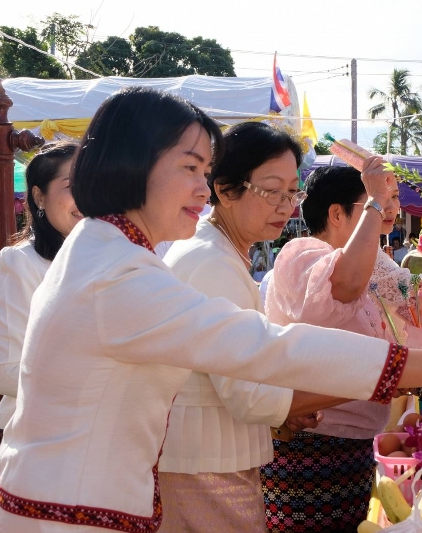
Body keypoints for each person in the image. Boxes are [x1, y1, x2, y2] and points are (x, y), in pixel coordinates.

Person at [0, 87, 422, 533]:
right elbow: (270, 349)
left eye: (206, 170)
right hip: (66, 516)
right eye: (191, 169)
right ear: (133, 164)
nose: (203, 189)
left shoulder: (105, 250)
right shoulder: (118, 273)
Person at [159, 121, 345, 533]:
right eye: (271, 190)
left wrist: (283, 413)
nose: (287, 205)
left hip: (208, 460)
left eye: (292, 191)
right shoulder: (210, 260)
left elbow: (238, 374)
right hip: (202, 467)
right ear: (225, 190)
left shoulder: (219, 252)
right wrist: (375, 380)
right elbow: (248, 396)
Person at [263, 163, 422, 531]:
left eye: (392, 199)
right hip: (311, 448)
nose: (389, 210)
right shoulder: (302, 253)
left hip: (356, 448)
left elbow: (417, 299)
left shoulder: (372, 263)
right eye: (376, 202)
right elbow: (344, 286)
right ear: (337, 214)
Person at [0, 141, 80, 461]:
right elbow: (3, 372)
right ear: (39, 196)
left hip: (96, 438)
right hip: (40, 442)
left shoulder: (101, 258)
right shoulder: (20, 263)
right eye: (70, 185)